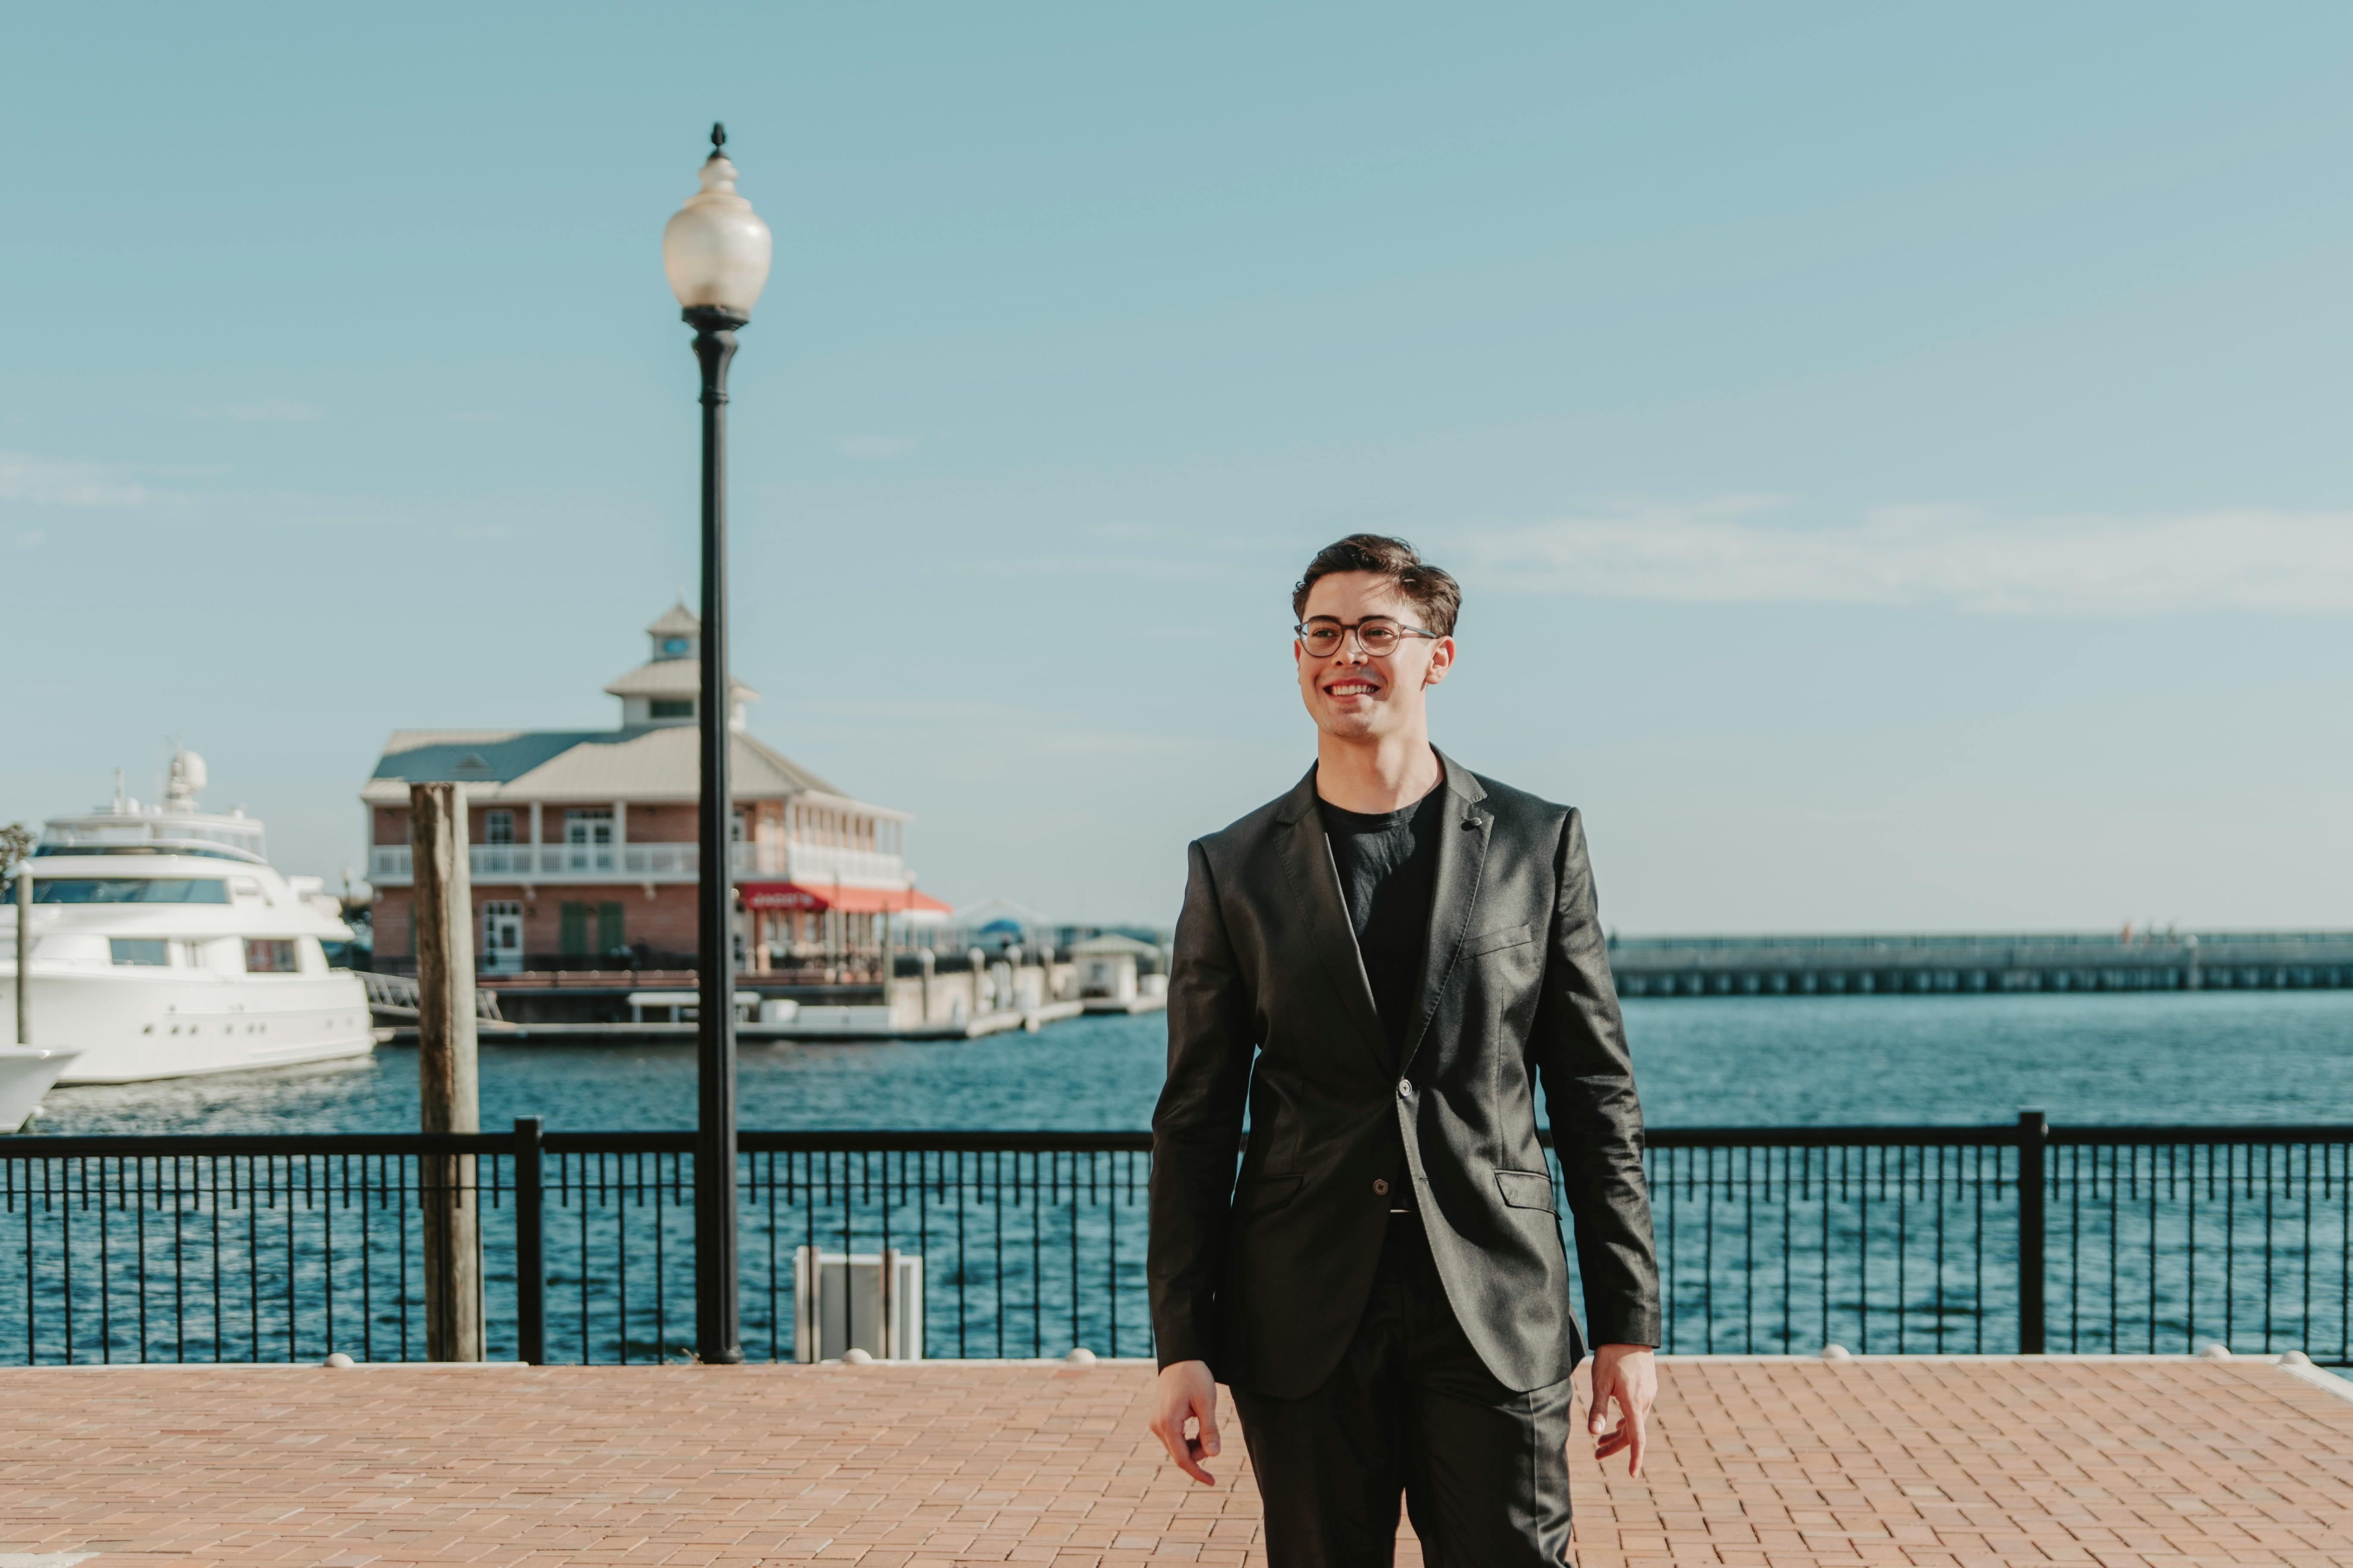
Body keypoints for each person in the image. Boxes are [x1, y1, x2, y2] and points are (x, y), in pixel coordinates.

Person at [1145, 534, 1661, 1565]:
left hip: (1497, 1305)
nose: (1348, 655)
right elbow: (1195, 1121)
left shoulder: (1535, 841)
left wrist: (1628, 1327)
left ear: (1438, 656)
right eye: (1323, 633)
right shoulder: (1232, 868)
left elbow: (1596, 1094)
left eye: (1379, 631)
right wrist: (1183, 1346)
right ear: (1298, 658)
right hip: (1302, 1315)